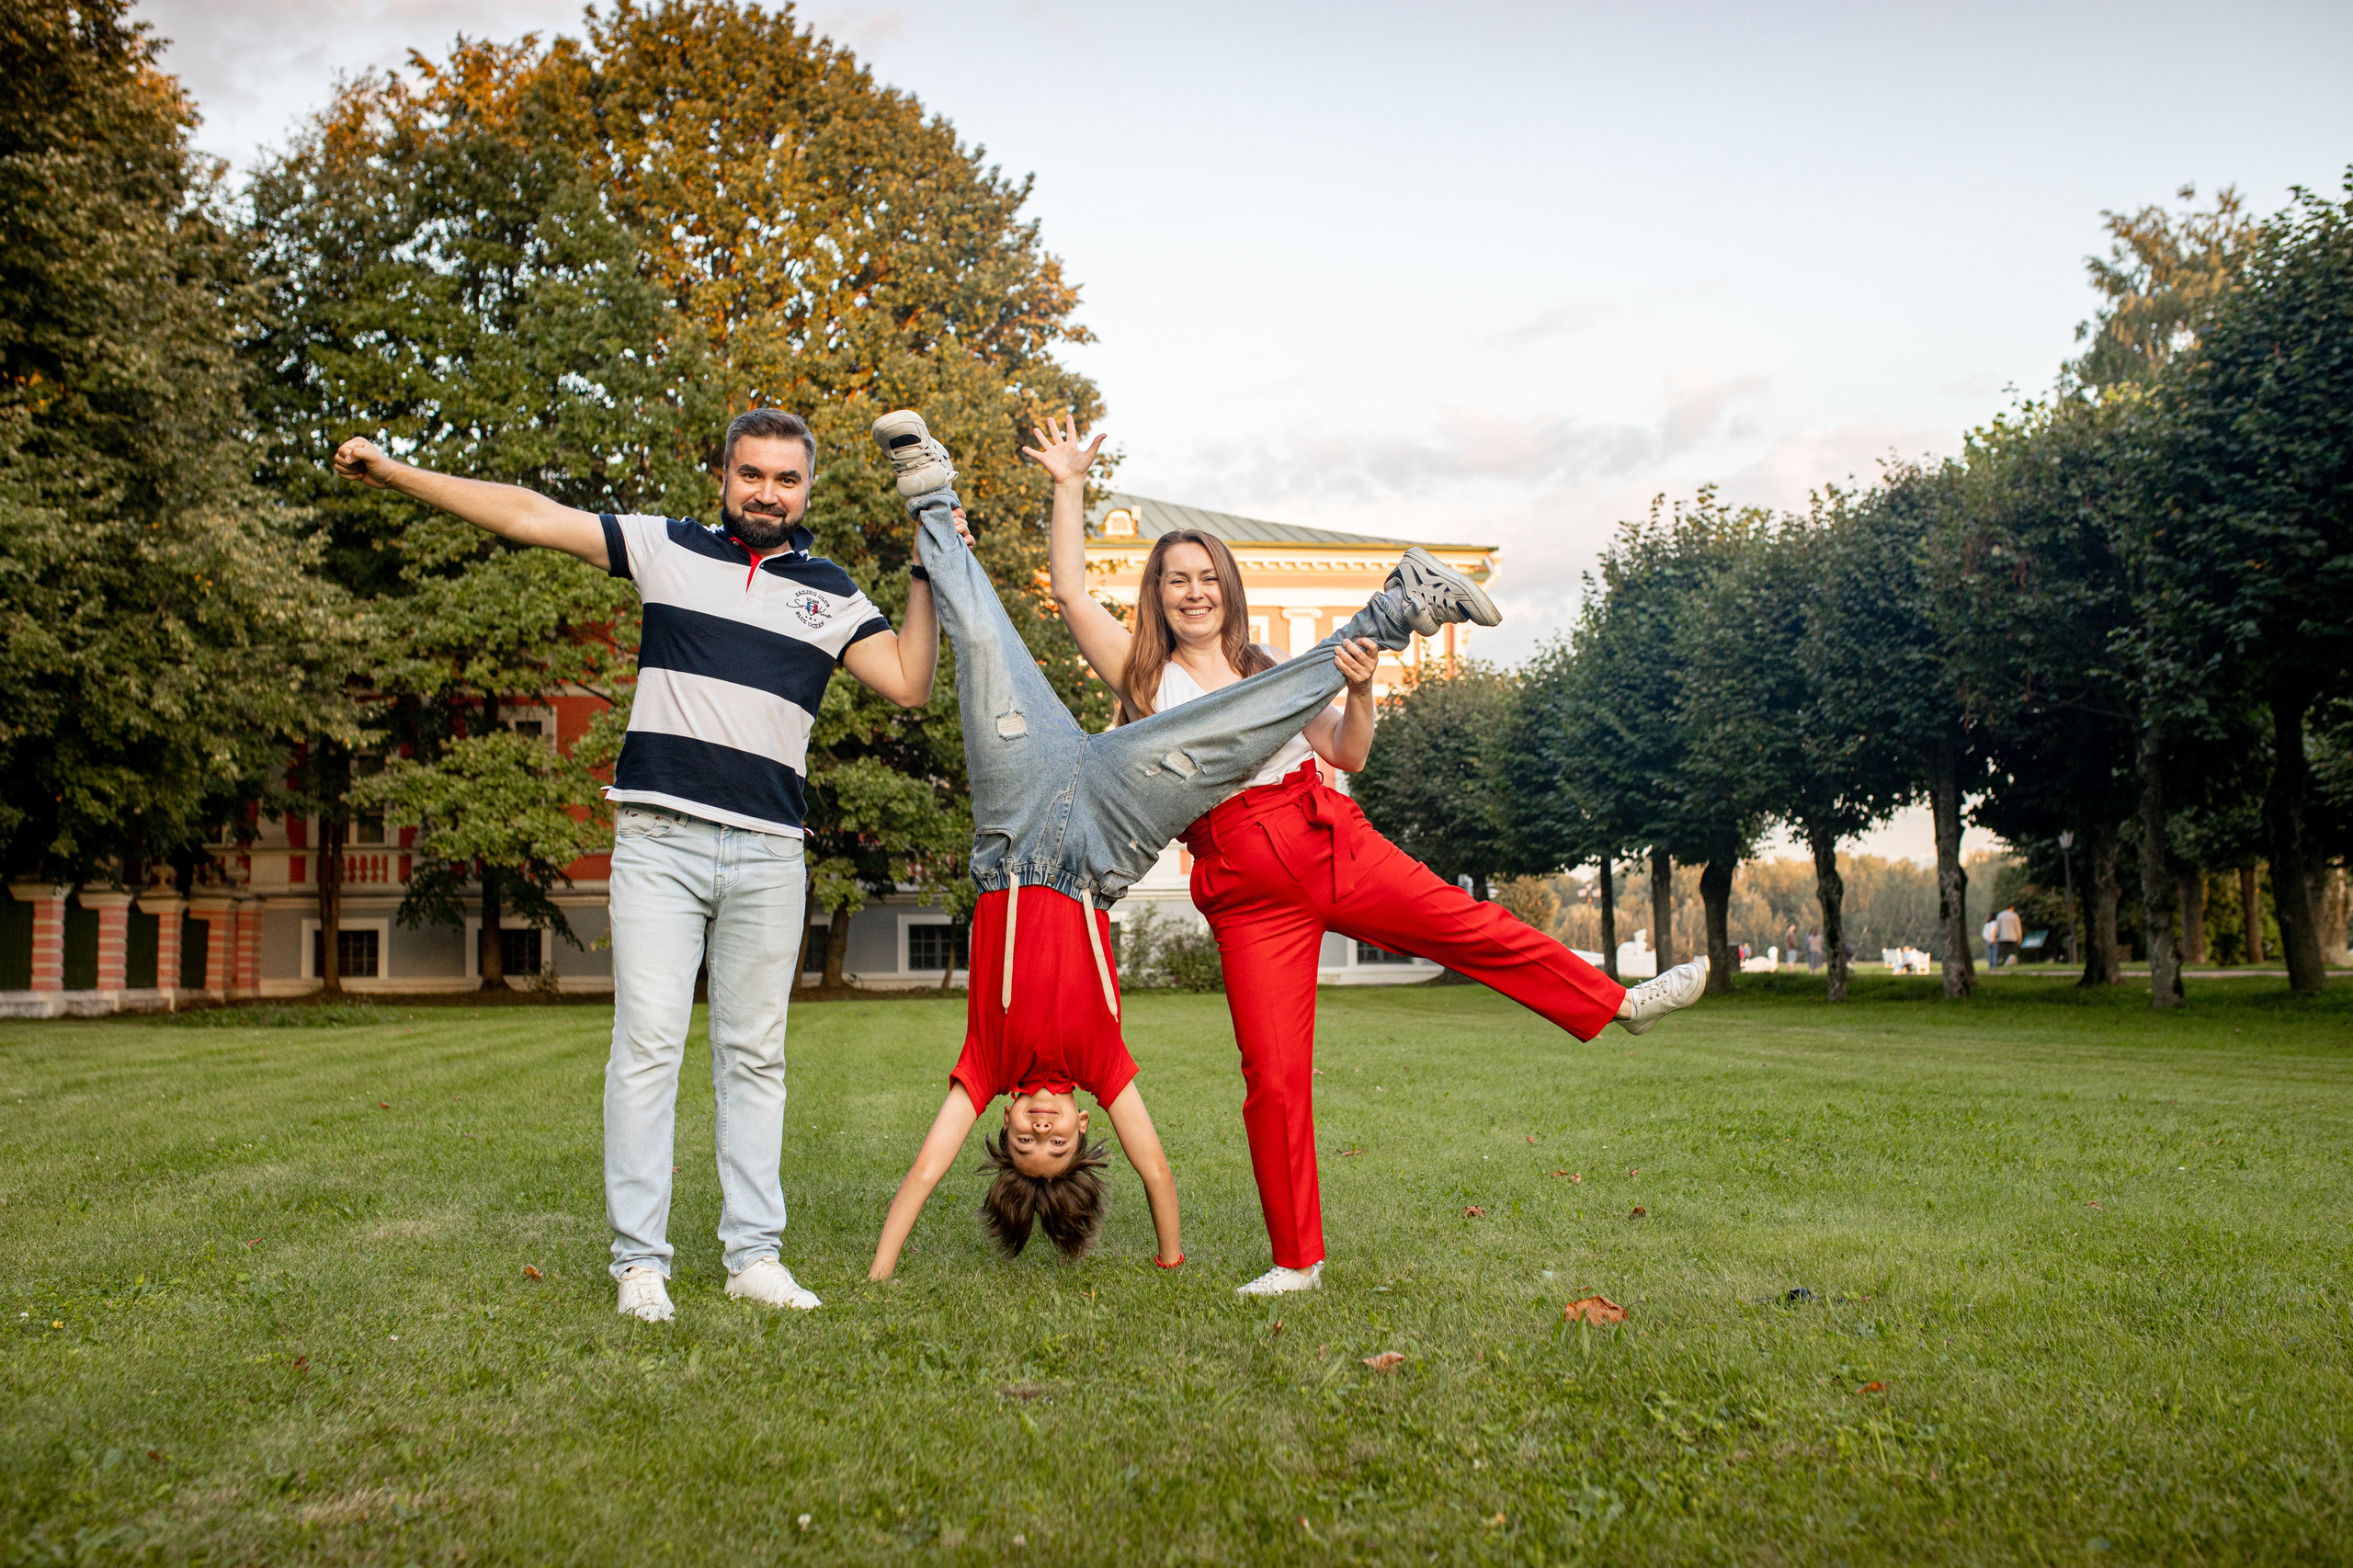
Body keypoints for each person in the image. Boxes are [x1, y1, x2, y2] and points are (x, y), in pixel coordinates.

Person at [1032, 415, 1710, 1297]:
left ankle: (1618, 1004)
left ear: (1228, 588)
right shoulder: (1142, 677)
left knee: (1469, 926)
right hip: (1242, 882)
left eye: (1206, 578)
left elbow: (1348, 754)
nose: (1192, 593)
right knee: (1272, 1077)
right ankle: (1296, 1261)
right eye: (1174, 581)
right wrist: (1070, 484)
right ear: (1156, 596)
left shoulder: (1274, 663)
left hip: (1324, 835)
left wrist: (1362, 690)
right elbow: (1072, 591)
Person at [335, 410, 946, 1324]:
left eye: (786, 478)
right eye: (752, 474)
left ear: (807, 490)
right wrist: (392, 469)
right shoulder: (666, 548)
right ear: (725, 477)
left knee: (755, 1056)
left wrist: (928, 569)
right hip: (659, 841)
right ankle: (640, 1264)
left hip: (770, 851)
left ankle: (753, 1257)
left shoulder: (829, 592)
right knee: (647, 1049)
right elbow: (528, 514)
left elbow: (907, 679)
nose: (767, 492)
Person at [861, 411, 1501, 1281]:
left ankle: (928, 491)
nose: (1042, 1129)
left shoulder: (982, 1071)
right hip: (1103, 841)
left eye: (1024, 1143)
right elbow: (1156, 1169)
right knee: (1232, 724)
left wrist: (880, 1269)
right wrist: (1169, 1254)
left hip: (1012, 823)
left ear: (1002, 1129)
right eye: (1056, 1144)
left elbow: (927, 1168)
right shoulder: (1104, 1068)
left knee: (980, 647)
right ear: (1086, 1129)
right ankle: (1399, 606)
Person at [1995, 904, 2024, 968]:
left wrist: (1995, 936)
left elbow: (1997, 927)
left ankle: (2005, 964)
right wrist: (2020, 937)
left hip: (2003, 937)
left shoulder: (2000, 915)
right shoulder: (2015, 915)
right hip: (2013, 936)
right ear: (2012, 908)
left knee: (2005, 952)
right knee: (2013, 952)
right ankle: (2014, 964)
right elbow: (2018, 927)